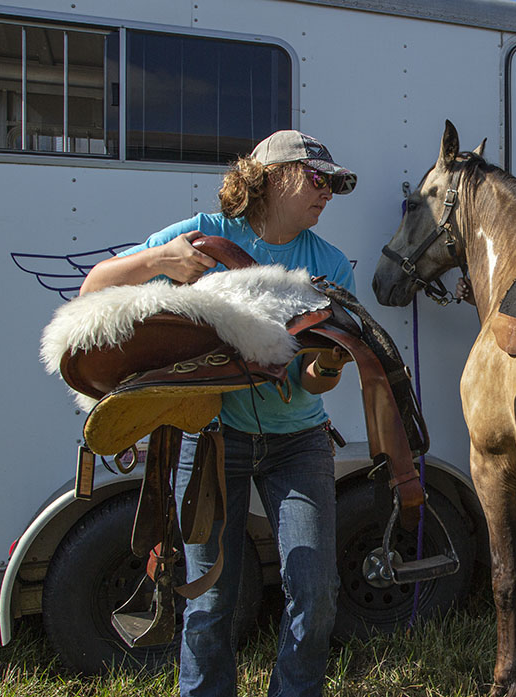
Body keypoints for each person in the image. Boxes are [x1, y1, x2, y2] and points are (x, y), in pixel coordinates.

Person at [80, 130, 358, 697]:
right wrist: (160, 260)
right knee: (208, 598)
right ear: (273, 178)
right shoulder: (200, 238)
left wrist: (328, 366)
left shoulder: (329, 265)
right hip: (208, 439)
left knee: (316, 590)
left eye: (336, 184)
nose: (329, 192)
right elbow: (94, 289)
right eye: (318, 179)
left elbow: (310, 380)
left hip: (298, 439)